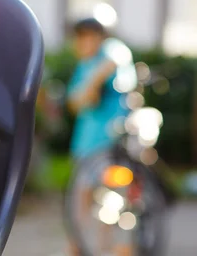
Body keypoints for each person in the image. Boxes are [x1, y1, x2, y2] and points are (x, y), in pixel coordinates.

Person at [66, 17, 137, 256]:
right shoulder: (83, 66)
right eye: (80, 37)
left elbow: (114, 62)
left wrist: (92, 85)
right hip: (85, 146)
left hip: (113, 144)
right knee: (81, 201)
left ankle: (118, 249)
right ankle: (78, 248)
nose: (84, 42)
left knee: (115, 199)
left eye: (89, 36)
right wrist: (89, 89)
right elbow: (74, 102)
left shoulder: (112, 50)